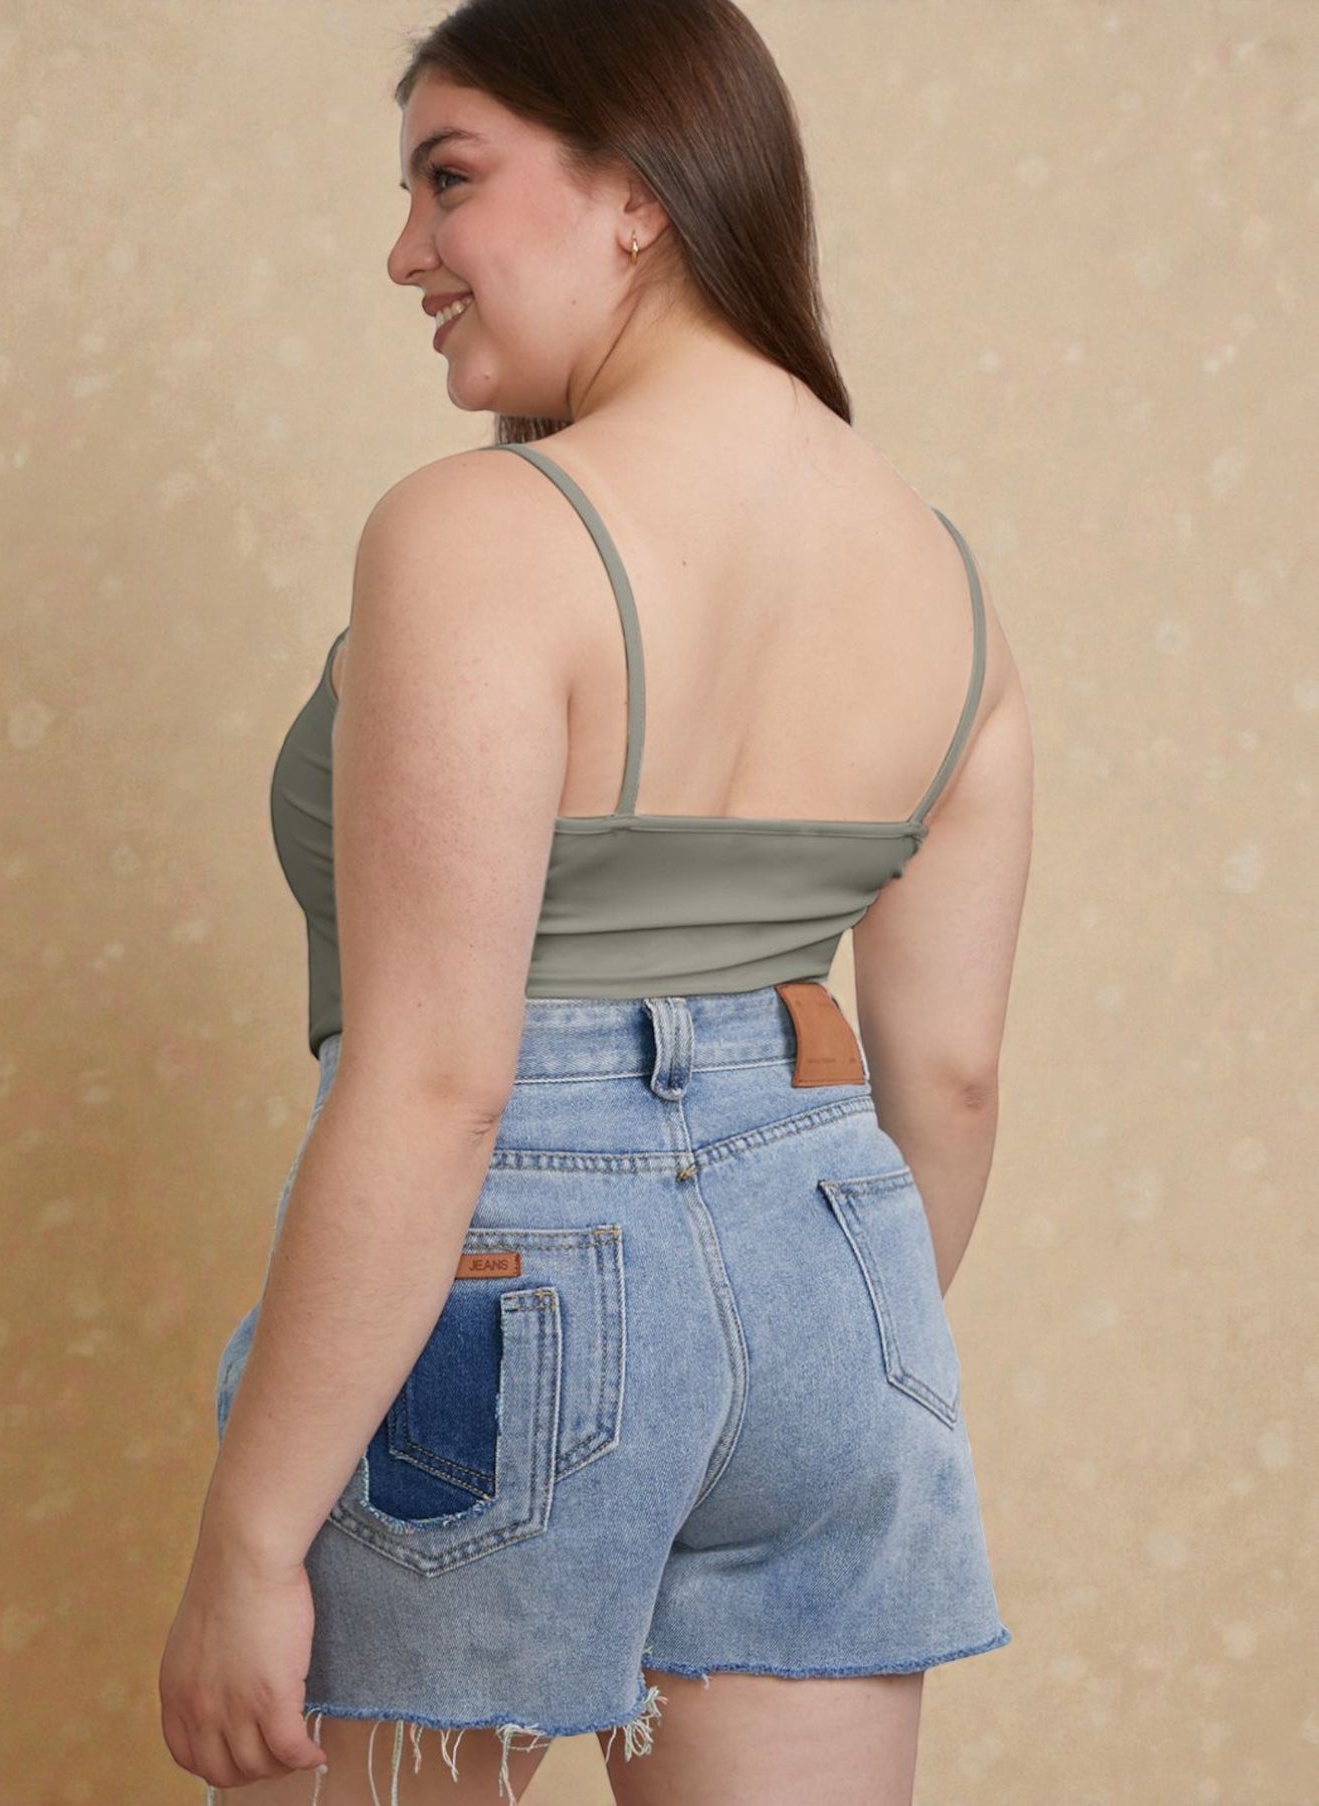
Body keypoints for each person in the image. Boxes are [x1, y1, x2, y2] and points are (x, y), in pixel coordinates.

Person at [160, 2, 1033, 1802]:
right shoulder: (940, 575)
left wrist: (249, 1542)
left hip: (503, 1272)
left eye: (450, 180)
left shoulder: (479, 539)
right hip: (839, 1284)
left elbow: (438, 1077)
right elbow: (943, 1082)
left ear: (635, 192)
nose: (406, 250)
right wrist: (801, 1338)